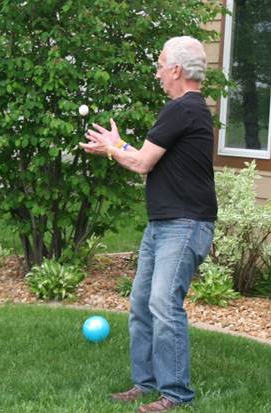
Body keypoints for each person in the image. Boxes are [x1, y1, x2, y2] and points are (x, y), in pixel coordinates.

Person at [80, 36, 217, 412]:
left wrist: (113, 148)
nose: (157, 73)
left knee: (162, 303)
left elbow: (141, 164)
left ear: (176, 70)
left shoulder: (182, 109)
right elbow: (145, 157)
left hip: (185, 223)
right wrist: (118, 145)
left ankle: (175, 394)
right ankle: (146, 383)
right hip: (164, 223)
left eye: (160, 65)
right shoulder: (188, 109)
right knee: (142, 302)